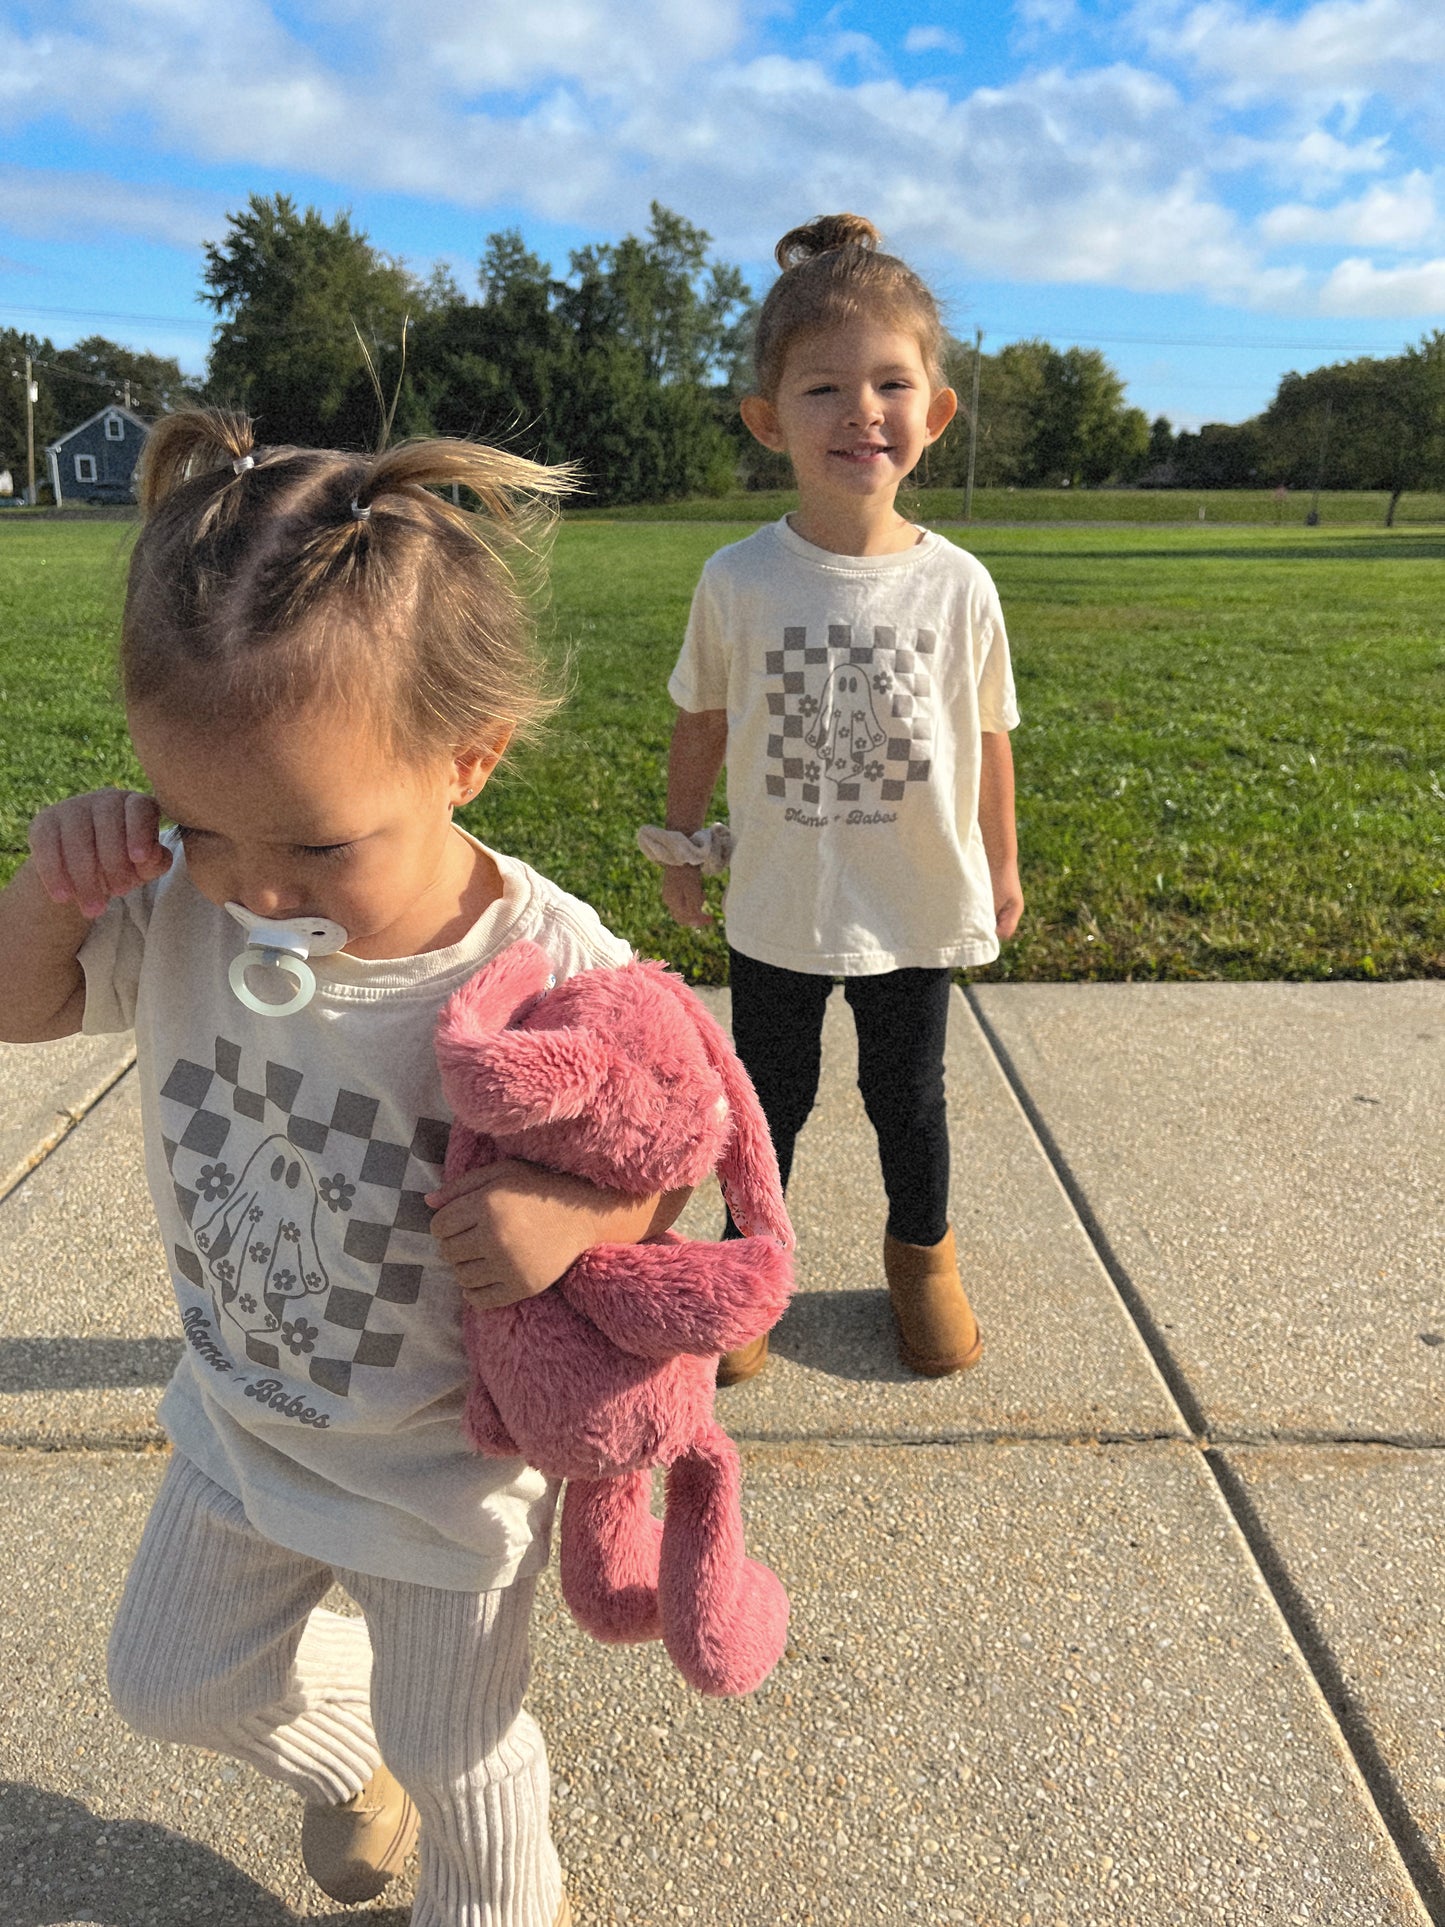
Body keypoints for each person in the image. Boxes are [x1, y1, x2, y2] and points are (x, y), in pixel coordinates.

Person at [0, 410, 678, 1925]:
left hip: (441, 1460)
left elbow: (681, 1132)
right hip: (244, 1417)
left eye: (313, 846)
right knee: (166, 1683)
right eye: (197, 821)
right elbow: (20, 1005)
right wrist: (54, 896)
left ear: (470, 757)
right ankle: (343, 1764)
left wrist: (575, 1206)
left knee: (465, 1747)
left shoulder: (547, 962)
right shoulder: (184, 900)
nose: (252, 885)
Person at [649, 213, 1022, 1387]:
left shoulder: (958, 585)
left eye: (888, 383)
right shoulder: (738, 578)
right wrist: (674, 845)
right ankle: (755, 1257)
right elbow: (700, 718)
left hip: (910, 899)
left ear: (935, 410)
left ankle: (921, 1255)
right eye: (821, 388)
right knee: (769, 1098)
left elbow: (987, 735)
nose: (859, 410)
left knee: (905, 1093)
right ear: (768, 422)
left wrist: (1000, 865)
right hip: (779, 900)